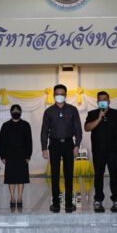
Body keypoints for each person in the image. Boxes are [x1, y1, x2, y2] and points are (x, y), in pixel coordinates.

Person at [41, 84, 82, 213]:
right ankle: (56, 204)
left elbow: (78, 129)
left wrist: (77, 145)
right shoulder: (49, 111)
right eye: (57, 94)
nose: (60, 96)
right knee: (55, 175)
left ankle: (69, 204)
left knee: (69, 174)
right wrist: (44, 148)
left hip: (69, 144)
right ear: (53, 95)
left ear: (65, 95)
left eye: (62, 94)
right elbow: (44, 130)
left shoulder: (72, 110)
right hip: (54, 144)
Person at [84, 91, 117, 213]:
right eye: (100, 99)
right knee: (98, 176)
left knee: (114, 175)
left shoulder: (116, 113)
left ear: (109, 101)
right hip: (98, 151)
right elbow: (87, 128)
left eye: (105, 99)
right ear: (97, 102)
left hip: (113, 151)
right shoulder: (92, 113)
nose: (102, 101)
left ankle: (116, 199)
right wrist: (99, 118)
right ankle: (98, 199)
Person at [0, 105, 32, 209]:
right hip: (9, 154)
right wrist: (2, 156)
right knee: (11, 177)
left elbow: (29, 141)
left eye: (17, 110)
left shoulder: (26, 125)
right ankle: (12, 197)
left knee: (21, 177)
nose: (15, 112)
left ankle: (20, 197)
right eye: (13, 110)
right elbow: (2, 142)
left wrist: (28, 155)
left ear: (21, 112)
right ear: (10, 112)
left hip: (22, 154)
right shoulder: (5, 125)